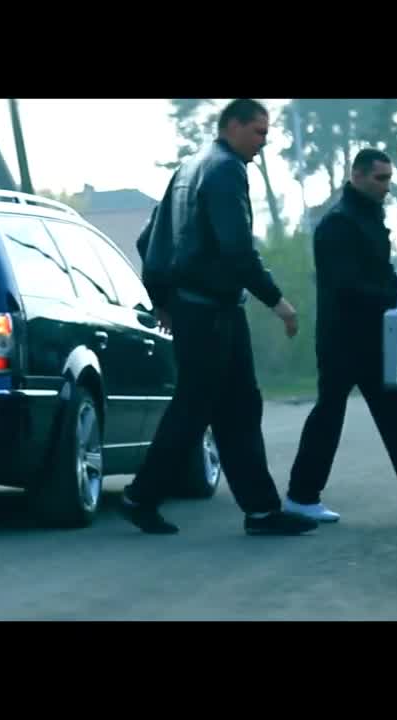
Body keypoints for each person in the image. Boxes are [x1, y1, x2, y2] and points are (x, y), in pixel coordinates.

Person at [119, 98, 318, 537]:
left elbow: (147, 240)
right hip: (212, 312)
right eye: (258, 132)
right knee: (202, 409)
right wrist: (278, 301)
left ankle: (260, 511)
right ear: (233, 126)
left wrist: (164, 299)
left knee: (232, 408)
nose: (263, 142)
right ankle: (142, 496)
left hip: (202, 309)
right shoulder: (225, 170)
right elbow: (237, 250)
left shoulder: (189, 167)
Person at [282, 148, 397, 523]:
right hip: (342, 341)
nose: (387, 186)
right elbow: (344, 285)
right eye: (380, 178)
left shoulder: (367, 218)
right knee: (329, 416)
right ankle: (301, 497)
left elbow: (379, 272)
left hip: (372, 339)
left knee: (396, 419)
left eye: (389, 178)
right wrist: (394, 297)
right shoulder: (337, 224)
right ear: (357, 176)